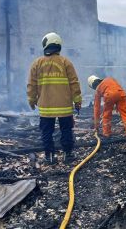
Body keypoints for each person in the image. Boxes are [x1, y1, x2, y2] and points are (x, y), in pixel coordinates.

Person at [27, 32, 82, 164]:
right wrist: (77, 100)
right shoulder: (65, 62)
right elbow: (74, 83)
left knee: (46, 132)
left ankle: (49, 156)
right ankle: (67, 155)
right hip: (64, 106)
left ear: (45, 45)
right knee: (66, 130)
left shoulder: (37, 63)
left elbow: (31, 84)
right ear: (58, 46)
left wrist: (32, 99)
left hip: (46, 107)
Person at [87, 75, 126, 141]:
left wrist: (96, 125)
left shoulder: (98, 90)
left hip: (109, 95)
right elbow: (117, 89)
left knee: (106, 115)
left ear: (93, 85)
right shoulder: (109, 79)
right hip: (121, 93)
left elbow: (97, 108)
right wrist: (117, 104)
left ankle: (106, 134)